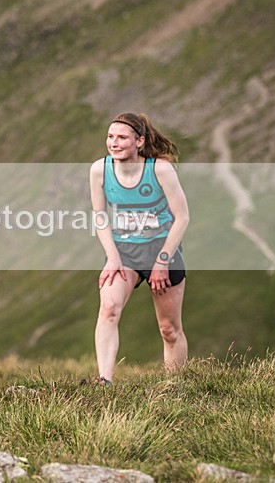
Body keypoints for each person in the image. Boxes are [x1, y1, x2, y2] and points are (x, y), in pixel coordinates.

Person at [88, 112, 190, 384]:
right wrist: (112, 257)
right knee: (108, 308)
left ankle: (175, 386)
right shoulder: (100, 169)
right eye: (110, 137)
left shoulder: (160, 170)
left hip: (162, 249)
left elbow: (182, 218)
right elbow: (100, 217)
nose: (114, 143)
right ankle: (104, 381)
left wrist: (162, 262)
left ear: (140, 141)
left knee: (169, 329)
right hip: (124, 251)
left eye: (122, 137)